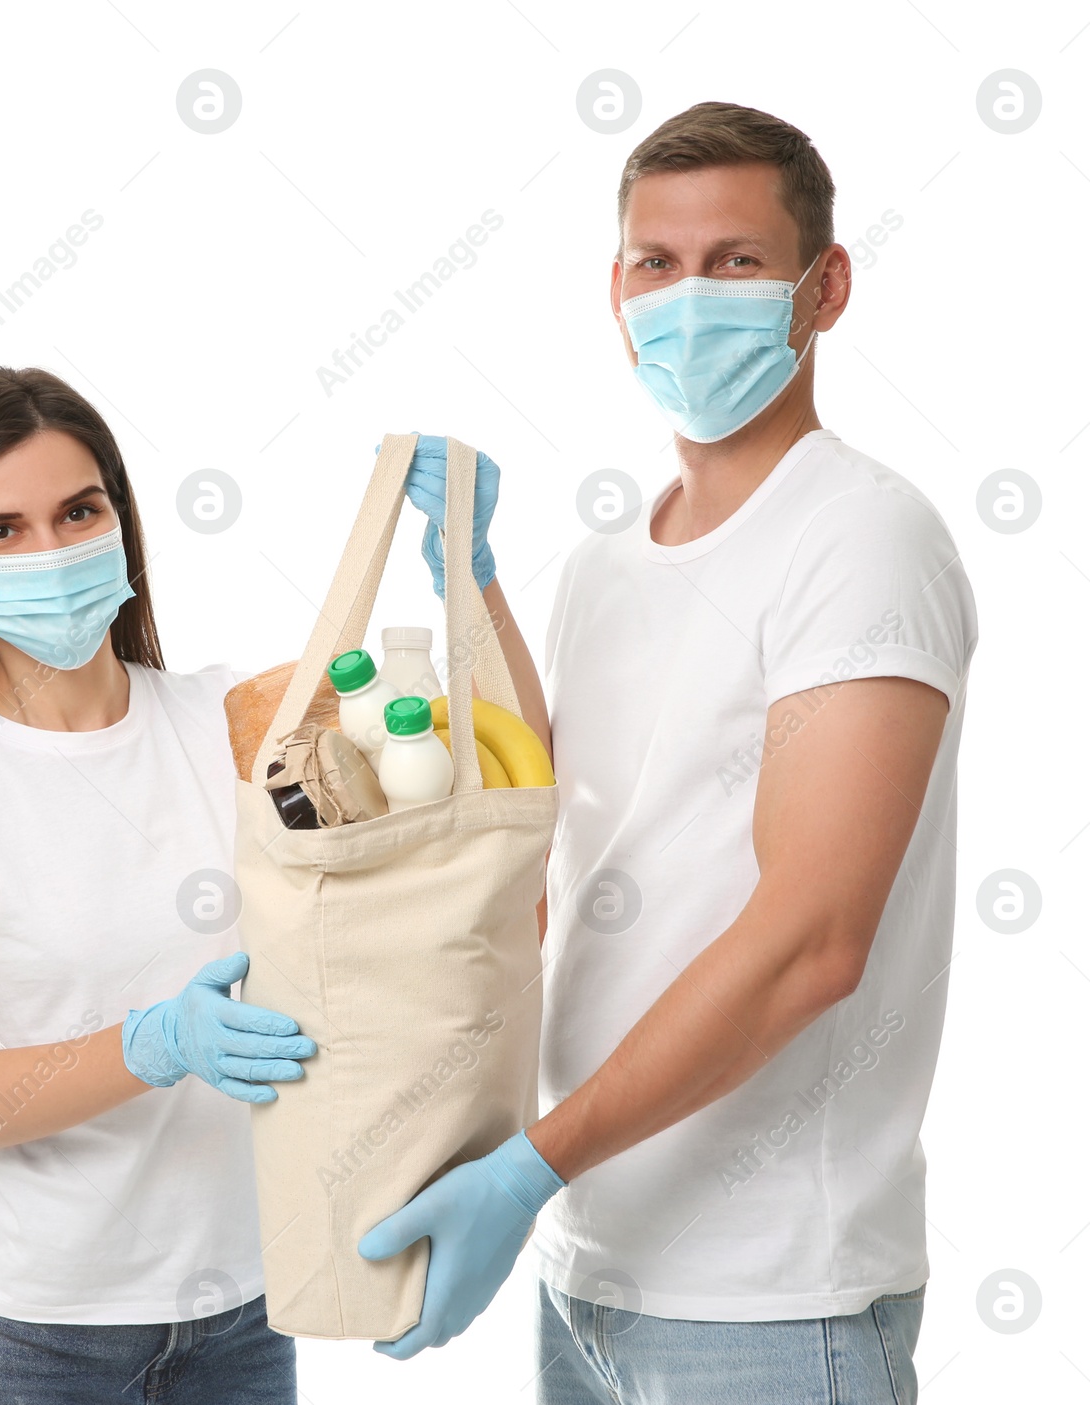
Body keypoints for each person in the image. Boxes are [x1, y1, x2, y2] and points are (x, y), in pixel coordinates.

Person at [362, 101, 978, 1405]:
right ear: (615, 291)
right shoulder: (607, 562)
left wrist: (529, 1165)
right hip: (593, 1276)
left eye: (737, 262)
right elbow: (543, 830)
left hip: (767, 1307)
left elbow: (814, 937)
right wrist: (473, 586)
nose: (689, 297)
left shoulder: (857, 540)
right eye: (658, 264)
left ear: (827, 288)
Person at [0, 367, 318, 1405]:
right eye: (1, 530)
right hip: (29, 1340)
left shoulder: (230, 719)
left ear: (122, 525)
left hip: (242, 1311)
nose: (50, 552)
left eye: (78, 512)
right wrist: (153, 1045)